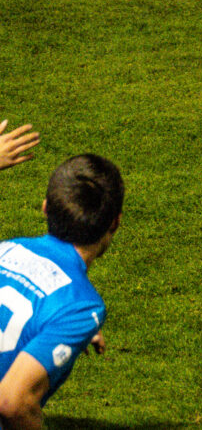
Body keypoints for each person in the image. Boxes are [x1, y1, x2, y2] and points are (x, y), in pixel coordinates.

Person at [0, 154, 123, 429]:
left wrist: (59, 326)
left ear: (45, 208)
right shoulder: (79, 306)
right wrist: (69, 317)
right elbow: (11, 402)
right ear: (115, 222)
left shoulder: (5, 249)